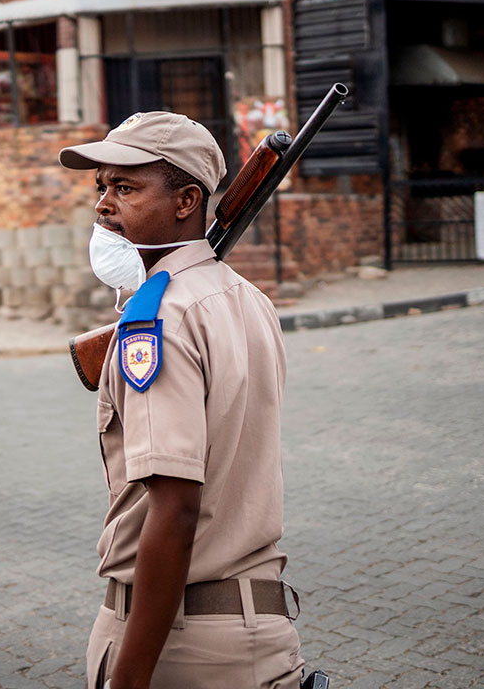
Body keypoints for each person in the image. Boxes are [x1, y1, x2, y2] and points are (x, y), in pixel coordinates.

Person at [60, 111, 305, 689]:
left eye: (125, 187)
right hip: (256, 633)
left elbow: (175, 508)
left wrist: (129, 679)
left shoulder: (159, 320)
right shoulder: (246, 298)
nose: (103, 204)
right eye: (101, 187)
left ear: (186, 200)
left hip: (175, 643)